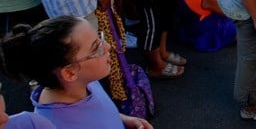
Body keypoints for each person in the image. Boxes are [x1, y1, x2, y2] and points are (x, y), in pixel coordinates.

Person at [0, 16, 152, 128]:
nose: (108, 47)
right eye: (96, 48)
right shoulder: (55, 125)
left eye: (100, 38)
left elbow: (98, 112)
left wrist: (124, 120)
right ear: (69, 73)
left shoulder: (86, 81)